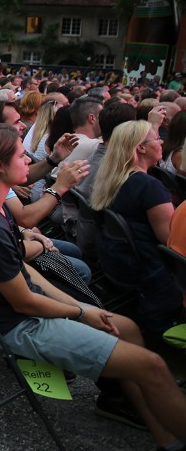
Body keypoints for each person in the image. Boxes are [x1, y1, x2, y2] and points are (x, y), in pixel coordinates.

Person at [0, 122, 186, 451]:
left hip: (19, 314)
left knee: (130, 329)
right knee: (151, 364)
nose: (26, 159)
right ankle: (172, 440)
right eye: (20, 155)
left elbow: (25, 270)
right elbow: (23, 300)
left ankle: (168, 441)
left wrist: (75, 303)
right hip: (16, 327)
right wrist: (81, 312)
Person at [90, 120, 179, 332]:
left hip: (119, 263)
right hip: (150, 271)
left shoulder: (111, 177)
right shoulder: (149, 187)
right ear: (141, 147)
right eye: (157, 138)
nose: (161, 142)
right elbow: (171, 240)